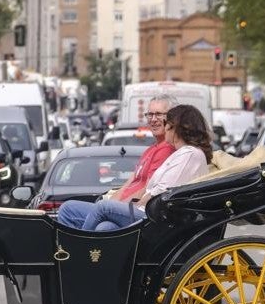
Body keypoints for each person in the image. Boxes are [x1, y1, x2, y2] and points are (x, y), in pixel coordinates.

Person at [59, 104, 213, 232]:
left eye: (167, 124)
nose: (164, 128)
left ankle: (80, 252)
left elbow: (164, 190)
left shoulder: (190, 154)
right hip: (151, 211)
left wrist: (139, 201)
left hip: (156, 216)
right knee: (104, 227)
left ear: (177, 128)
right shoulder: (183, 153)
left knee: (103, 207)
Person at [55, 94, 177, 229]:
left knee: (84, 214)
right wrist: (113, 204)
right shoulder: (150, 150)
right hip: (124, 208)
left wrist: (117, 206)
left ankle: (79, 248)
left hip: (139, 210)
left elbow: (148, 190)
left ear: (171, 118)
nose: (153, 119)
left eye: (159, 114)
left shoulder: (166, 149)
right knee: (74, 211)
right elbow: (129, 184)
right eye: (150, 114)